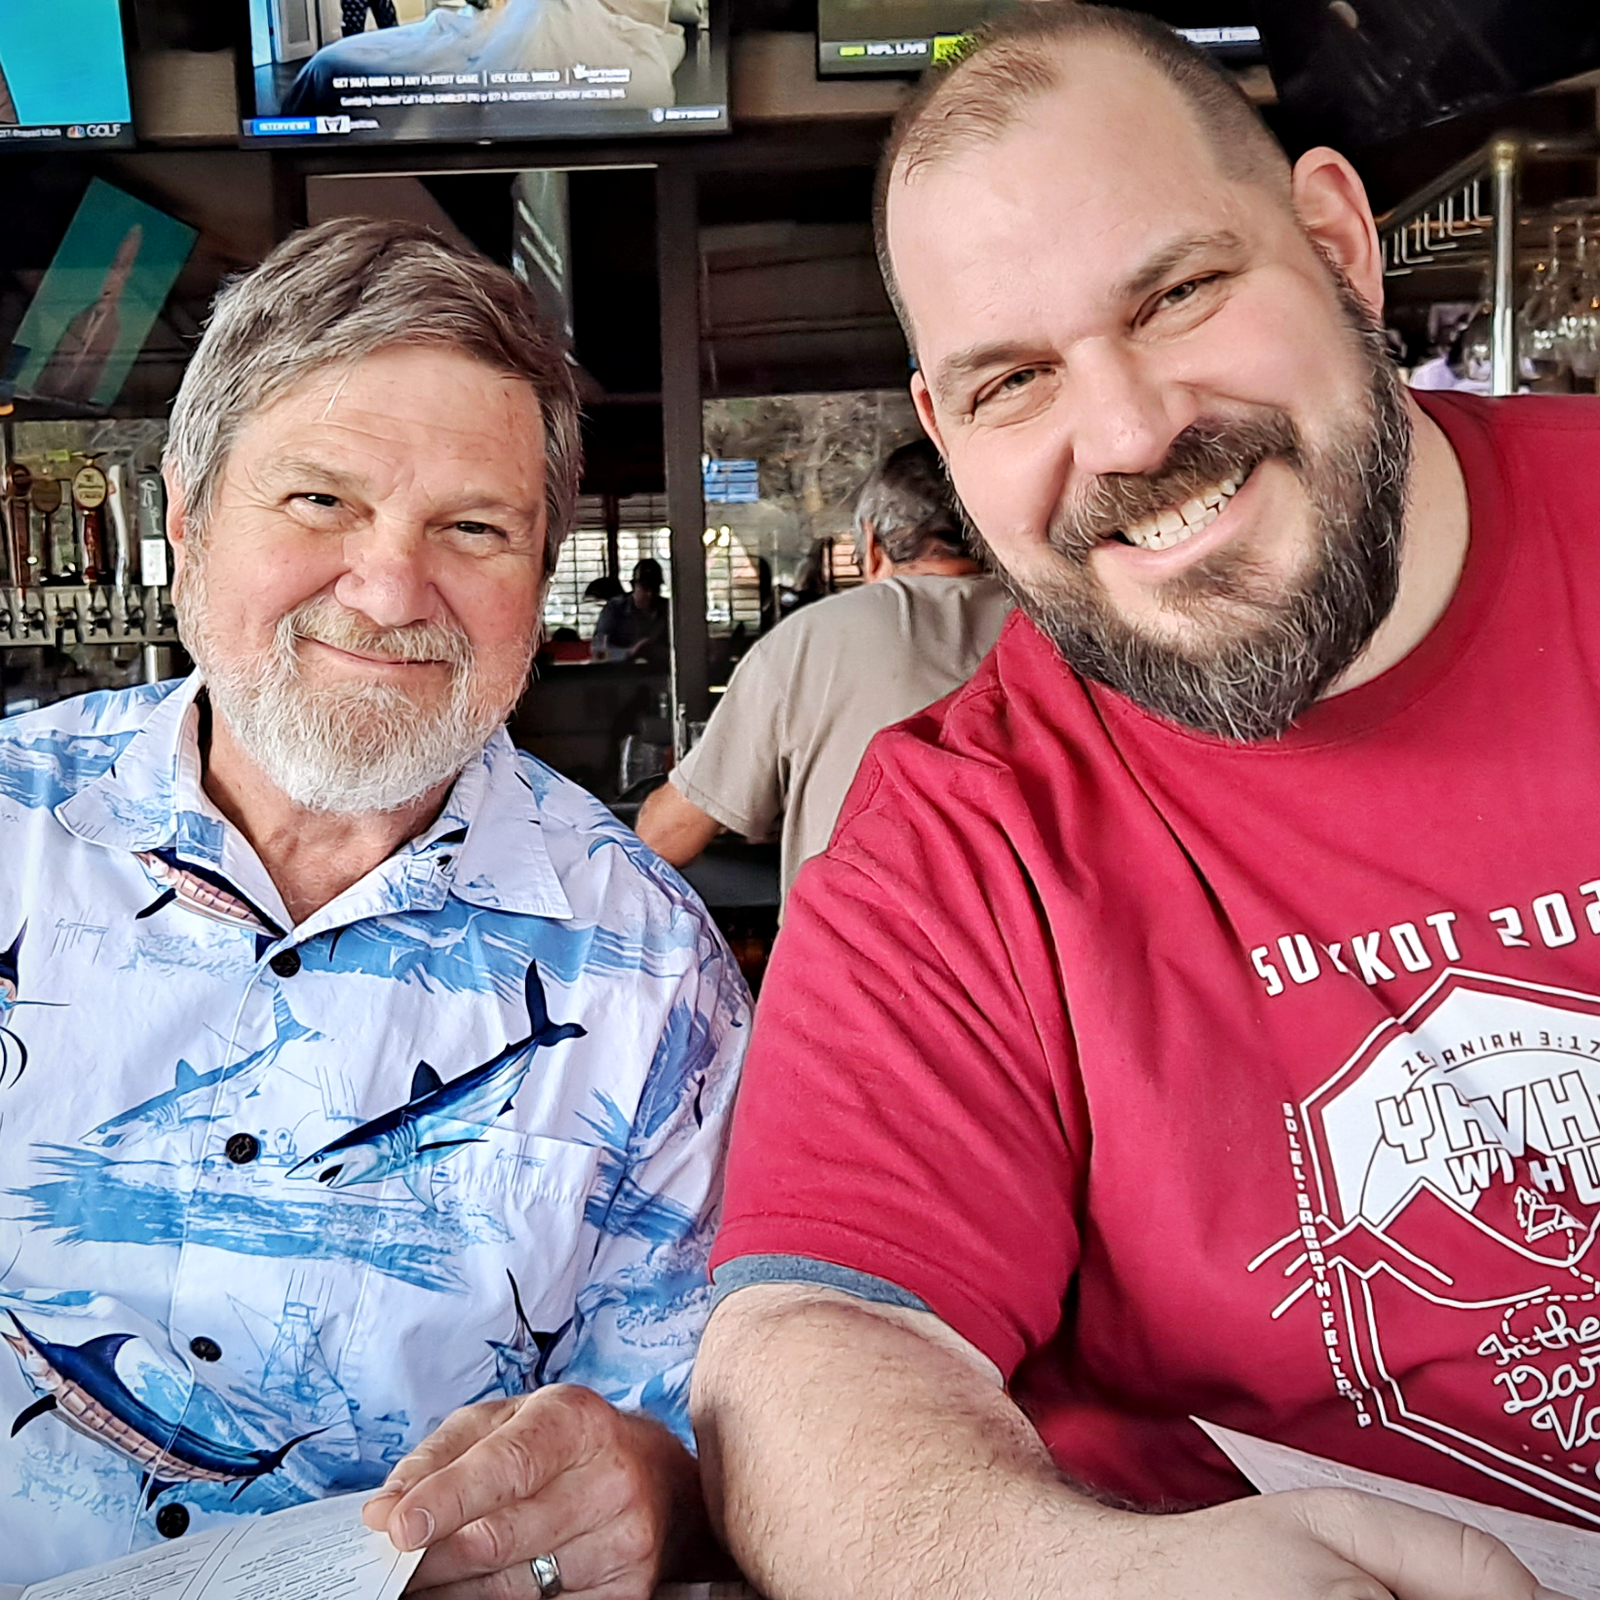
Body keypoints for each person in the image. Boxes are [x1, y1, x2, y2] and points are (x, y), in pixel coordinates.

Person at [691, 7, 1600, 1598]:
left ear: (1337, 246)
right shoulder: (955, 840)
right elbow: (811, 1355)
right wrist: (1084, 1577)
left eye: (1179, 295)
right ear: (945, 434)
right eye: (1013, 380)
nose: (1126, 434)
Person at [0, 218, 749, 1590]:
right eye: (318, 501)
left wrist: (646, 1490)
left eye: (473, 528)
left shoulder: (650, 967)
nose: (393, 589)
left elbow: (687, 1420)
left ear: (539, 570)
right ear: (186, 519)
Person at [635, 439, 1009, 904]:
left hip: (855, 944)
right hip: (1036, 948)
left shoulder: (810, 638)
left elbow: (666, 838)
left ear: (871, 544)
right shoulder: (1055, 634)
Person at [592, 557, 669, 666]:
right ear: (633, 586)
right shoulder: (614, 610)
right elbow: (598, 653)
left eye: (655, 589)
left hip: (659, 672)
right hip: (619, 673)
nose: (650, 594)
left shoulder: (668, 610)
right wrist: (629, 653)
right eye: (645, 588)